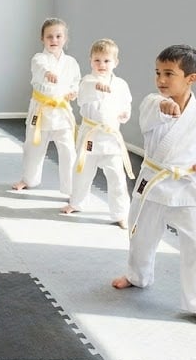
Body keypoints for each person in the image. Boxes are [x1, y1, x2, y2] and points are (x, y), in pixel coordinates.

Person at [112, 44, 196, 315]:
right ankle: (137, 276)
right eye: (158, 72)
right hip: (153, 183)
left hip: (186, 187)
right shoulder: (152, 102)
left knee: (194, 244)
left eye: (169, 74)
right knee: (140, 238)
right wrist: (164, 105)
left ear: (191, 78)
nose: (161, 79)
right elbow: (154, 110)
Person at [61, 39, 134, 227]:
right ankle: (76, 202)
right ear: (91, 61)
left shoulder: (121, 84)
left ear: (115, 62)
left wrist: (125, 114)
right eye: (97, 60)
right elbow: (82, 98)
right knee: (82, 172)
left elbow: (126, 104)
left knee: (117, 177)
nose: (102, 65)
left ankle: (121, 213)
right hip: (90, 136)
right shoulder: (87, 81)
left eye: (107, 61)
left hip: (111, 138)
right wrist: (97, 87)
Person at [12, 18, 80, 195]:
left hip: (62, 112)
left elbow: (75, 81)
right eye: (49, 36)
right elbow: (40, 68)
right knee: (33, 147)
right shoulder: (39, 59)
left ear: (65, 39)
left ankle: (71, 188)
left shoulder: (71, 62)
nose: (54, 40)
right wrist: (47, 73)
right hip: (41, 110)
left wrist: (74, 92)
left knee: (68, 151)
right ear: (42, 38)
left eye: (58, 36)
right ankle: (28, 180)